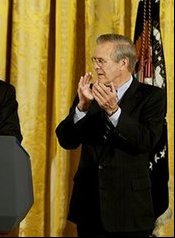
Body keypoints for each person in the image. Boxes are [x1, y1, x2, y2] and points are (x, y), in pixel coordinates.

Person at [55, 33, 166, 237]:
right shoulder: (90, 93)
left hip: (129, 209)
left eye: (101, 61)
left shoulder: (151, 97)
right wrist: (82, 107)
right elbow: (66, 140)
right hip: (90, 207)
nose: (96, 66)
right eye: (94, 61)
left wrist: (115, 112)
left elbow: (146, 141)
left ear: (123, 63)